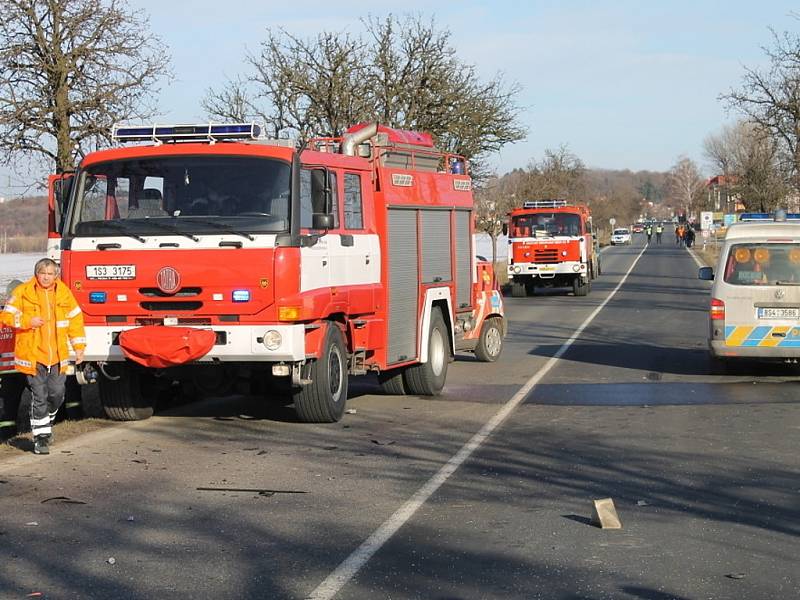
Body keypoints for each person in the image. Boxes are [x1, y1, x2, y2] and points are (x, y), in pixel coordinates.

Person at [0, 258, 86, 455]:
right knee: (39, 397)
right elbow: (6, 316)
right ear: (36, 273)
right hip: (32, 356)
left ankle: (45, 420)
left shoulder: (64, 293)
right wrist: (27, 321)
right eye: (42, 273)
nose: (46, 277)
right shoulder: (23, 292)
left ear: (55, 275)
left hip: (57, 356)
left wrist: (79, 347)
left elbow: (75, 320)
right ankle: (41, 439)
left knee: (56, 395)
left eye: (50, 274)